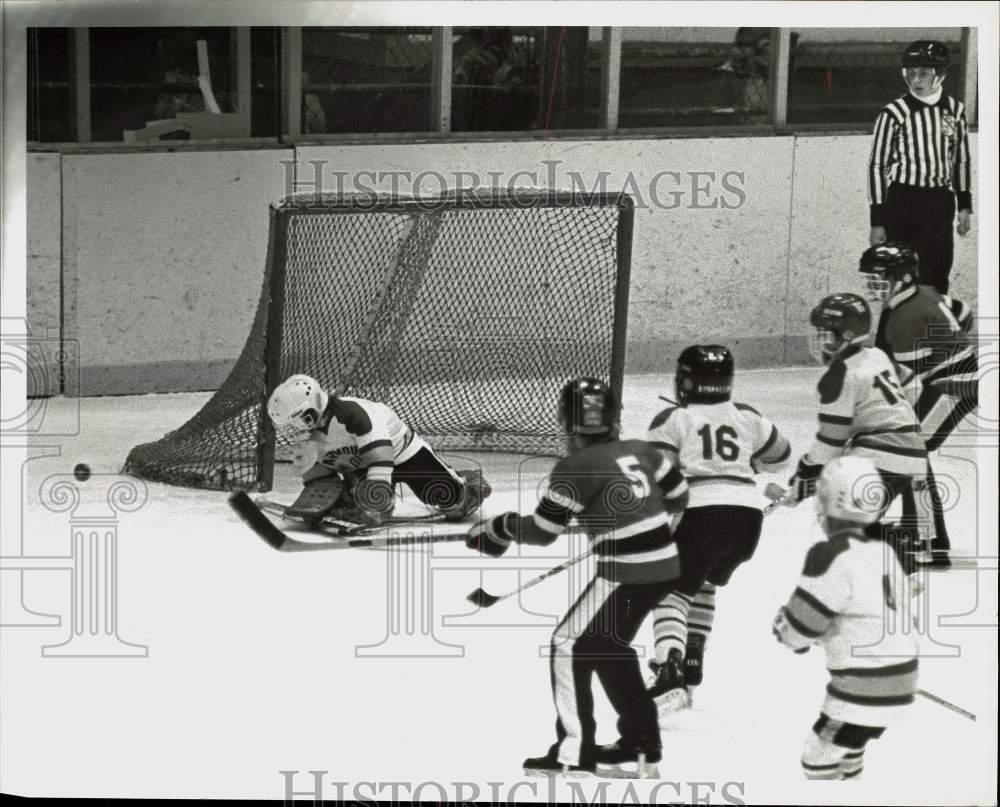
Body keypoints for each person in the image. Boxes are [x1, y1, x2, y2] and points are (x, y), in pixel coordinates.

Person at [465, 378, 689, 778]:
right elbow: (678, 498)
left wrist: (502, 526)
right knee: (607, 645)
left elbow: (542, 532)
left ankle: (574, 753)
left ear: (567, 423)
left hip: (627, 570)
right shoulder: (646, 451)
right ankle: (641, 745)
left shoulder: (574, 468)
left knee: (568, 644)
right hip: (666, 566)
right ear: (614, 419)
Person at [644, 345, 792, 714]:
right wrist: (747, 465)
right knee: (704, 580)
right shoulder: (748, 416)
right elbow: (783, 456)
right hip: (746, 519)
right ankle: (693, 652)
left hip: (701, 513)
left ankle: (668, 668)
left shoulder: (673, 418)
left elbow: (659, 475)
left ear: (686, 381)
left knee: (670, 592)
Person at [773, 455, 920, 781]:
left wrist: (785, 628)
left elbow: (801, 628)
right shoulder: (884, 550)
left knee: (819, 754)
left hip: (864, 685)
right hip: (901, 676)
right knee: (849, 749)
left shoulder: (828, 554)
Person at [787, 293, 933, 571]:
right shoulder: (877, 355)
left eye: (826, 334)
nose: (820, 341)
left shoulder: (839, 374)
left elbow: (831, 441)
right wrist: (889, 417)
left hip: (880, 456)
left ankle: (901, 568)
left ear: (848, 335)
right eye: (818, 333)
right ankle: (897, 569)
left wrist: (807, 469)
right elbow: (914, 387)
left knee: (845, 520)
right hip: (913, 451)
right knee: (863, 520)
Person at [860, 241, 978, 567]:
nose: (873, 285)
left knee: (911, 451)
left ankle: (929, 540)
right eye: (869, 278)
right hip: (955, 380)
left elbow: (910, 383)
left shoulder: (903, 318)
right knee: (912, 451)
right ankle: (922, 531)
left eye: (879, 277)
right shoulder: (924, 293)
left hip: (952, 387)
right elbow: (964, 313)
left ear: (901, 278)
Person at [266, 374, 490, 527]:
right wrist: (322, 502)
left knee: (452, 504)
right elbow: (319, 478)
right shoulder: (308, 436)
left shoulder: (352, 414)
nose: (290, 432)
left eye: (292, 423)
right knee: (365, 510)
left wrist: (376, 498)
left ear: (310, 413)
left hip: (404, 455)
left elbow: (381, 458)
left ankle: (467, 485)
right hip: (362, 466)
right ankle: (367, 497)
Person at [867, 40, 973, 294]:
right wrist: (877, 220)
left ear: (941, 74)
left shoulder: (955, 111)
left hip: (938, 202)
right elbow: (877, 166)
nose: (916, 79)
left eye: (923, 72)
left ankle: (933, 330)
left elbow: (961, 160)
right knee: (898, 275)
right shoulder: (894, 112)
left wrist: (965, 206)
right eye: (911, 72)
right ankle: (896, 332)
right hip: (902, 201)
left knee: (937, 273)